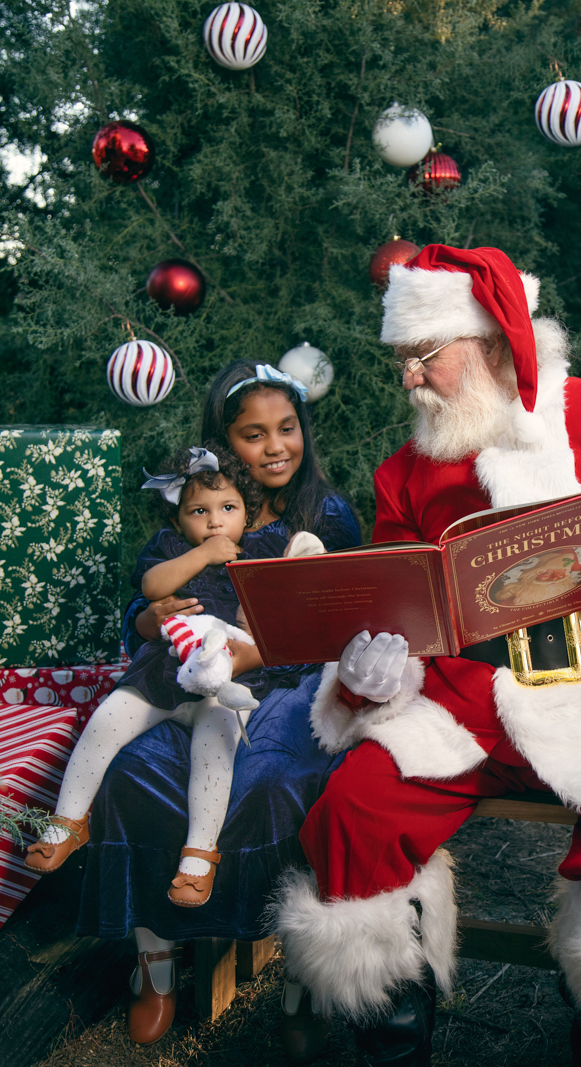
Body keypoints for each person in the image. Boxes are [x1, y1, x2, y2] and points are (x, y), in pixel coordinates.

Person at [272, 245, 581, 1067]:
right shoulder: (407, 472)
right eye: (402, 361)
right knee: (353, 809)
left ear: (493, 343)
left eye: (425, 357)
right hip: (463, 711)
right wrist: (370, 673)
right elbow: (393, 603)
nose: (409, 380)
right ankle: (393, 1035)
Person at [74, 360, 361, 1047]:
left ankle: (301, 967)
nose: (275, 447)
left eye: (287, 429)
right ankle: (156, 957)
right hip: (189, 682)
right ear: (223, 443)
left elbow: (345, 620)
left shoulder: (327, 513)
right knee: (133, 768)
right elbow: (144, 606)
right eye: (253, 434)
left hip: (288, 688)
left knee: (275, 783)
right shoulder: (196, 509)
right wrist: (149, 621)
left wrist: (253, 655)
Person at [24, 442, 267, 910]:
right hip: (163, 671)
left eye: (228, 508)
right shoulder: (171, 548)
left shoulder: (256, 555)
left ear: (247, 515)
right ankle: (68, 821)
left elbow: (266, 629)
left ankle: (199, 854)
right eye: (199, 510)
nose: (216, 521)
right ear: (178, 520)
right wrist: (205, 554)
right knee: (105, 722)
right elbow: (152, 587)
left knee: (215, 753)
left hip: (221, 680)